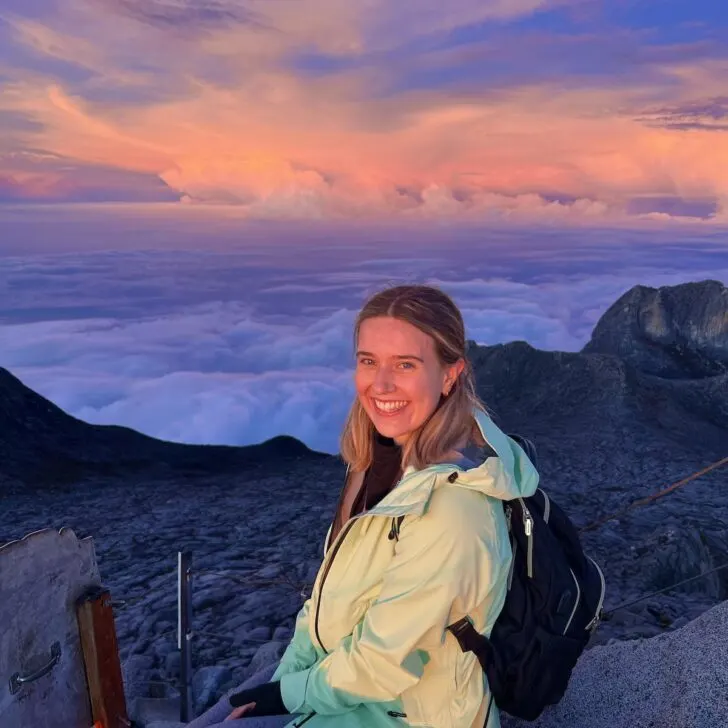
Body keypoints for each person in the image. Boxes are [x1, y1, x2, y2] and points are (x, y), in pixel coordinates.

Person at [190, 284, 539, 728]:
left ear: (450, 374)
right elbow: (325, 602)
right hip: (348, 682)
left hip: (405, 716)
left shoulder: (453, 509)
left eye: (406, 365)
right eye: (368, 361)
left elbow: (382, 663)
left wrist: (285, 694)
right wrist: (290, 675)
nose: (381, 384)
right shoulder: (379, 468)